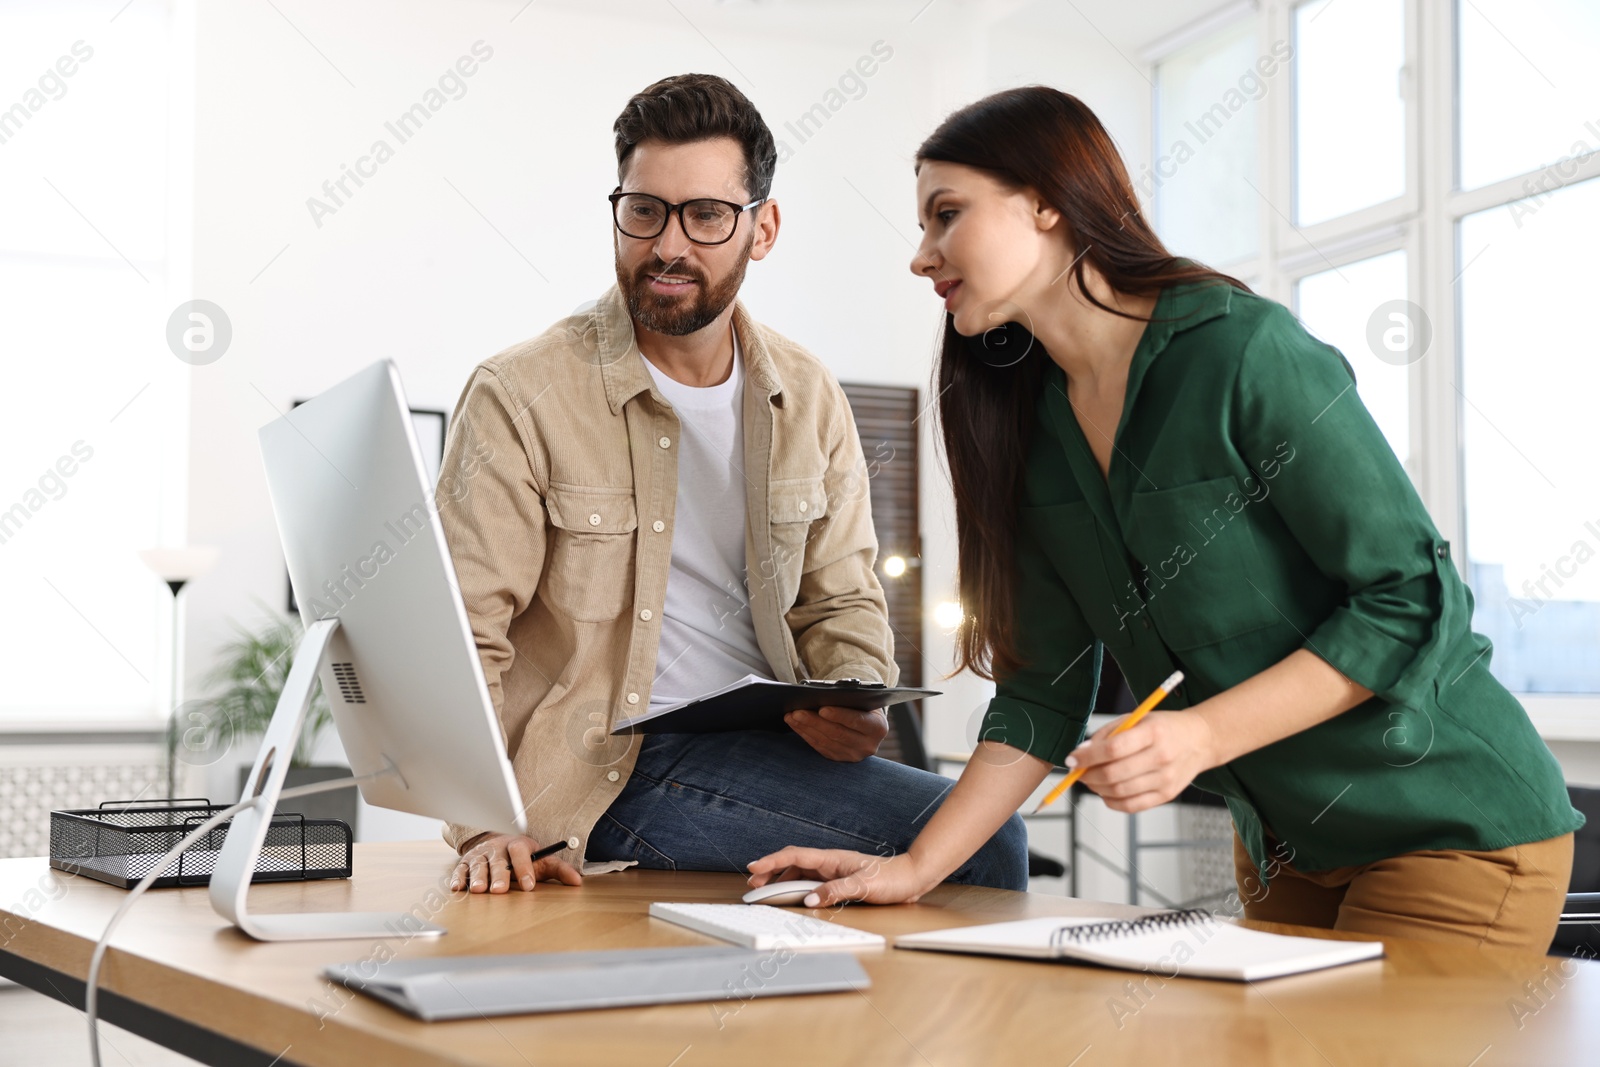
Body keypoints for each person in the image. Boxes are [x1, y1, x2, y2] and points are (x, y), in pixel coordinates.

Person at [748, 86, 1583, 954]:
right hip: (1288, 850)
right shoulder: (1030, 429)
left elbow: (1409, 596)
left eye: (946, 215)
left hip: (1447, 822)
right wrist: (912, 867)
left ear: (1044, 200)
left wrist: (1203, 735)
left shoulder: (1243, 352)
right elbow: (1042, 694)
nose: (922, 257)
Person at [438, 73, 1027, 895]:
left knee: (983, 831)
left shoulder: (806, 392)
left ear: (763, 228)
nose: (668, 244)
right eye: (644, 210)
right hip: (603, 767)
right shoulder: (521, 392)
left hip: (767, 745)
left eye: (707, 215)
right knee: (985, 846)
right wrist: (482, 818)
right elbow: (463, 636)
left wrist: (857, 701)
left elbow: (843, 596)